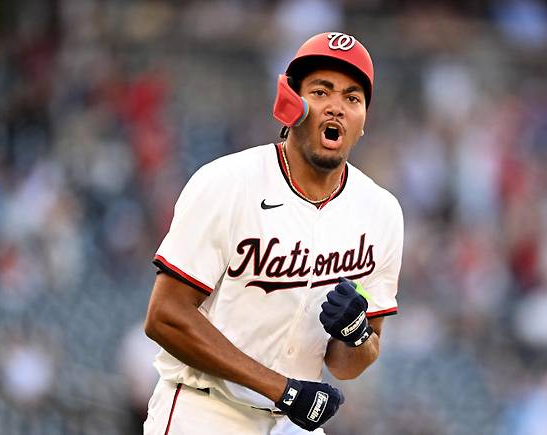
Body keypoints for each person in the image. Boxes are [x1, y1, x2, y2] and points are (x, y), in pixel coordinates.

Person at [143, 31, 404, 434]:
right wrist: (280, 389)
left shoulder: (381, 213)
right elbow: (165, 316)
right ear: (291, 104)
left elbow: (348, 364)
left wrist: (356, 333)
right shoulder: (227, 183)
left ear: (363, 121)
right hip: (205, 409)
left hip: (293, 421)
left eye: (352, 98)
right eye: (321, 92)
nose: (336, 107)